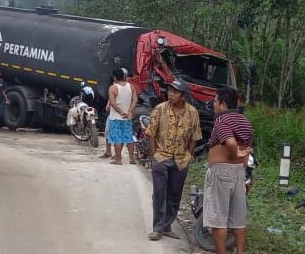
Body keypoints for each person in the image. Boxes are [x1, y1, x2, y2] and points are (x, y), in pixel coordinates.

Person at [144, 78, 202, 241]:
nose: (170, 94)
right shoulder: (160, 109)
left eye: (174, 92)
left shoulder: (192, 113)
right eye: (169, 91)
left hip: (181, 160)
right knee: (159, 193)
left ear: (183, 96)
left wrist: (189, 156)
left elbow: (194, 136)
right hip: (162, 158)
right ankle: (157, 228)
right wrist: (154, 155)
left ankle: (167, 226)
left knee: (174, 195)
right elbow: (151, 133)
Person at [204, 87, 253, 254]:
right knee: (238, 221)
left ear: (223, 104)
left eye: (215, 101)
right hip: (239, 172)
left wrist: (234, 153)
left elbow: (231, 143)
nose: (214, 104)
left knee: (218, 221)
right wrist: (242, 170)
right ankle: (240, 252)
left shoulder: (222, 120)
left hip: (221, 172)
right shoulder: (244, 121)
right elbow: (247, 151)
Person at [107, 68, 137, 164]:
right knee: (129, 138)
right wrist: (129, 111)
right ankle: (132, 158)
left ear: (115, 77)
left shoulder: (113, 88)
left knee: (117, 139)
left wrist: (120, 112)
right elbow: (135, 100)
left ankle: (118, 159)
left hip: (115, 118)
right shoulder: (131, 86)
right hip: (127, 118)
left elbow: (113, 103)